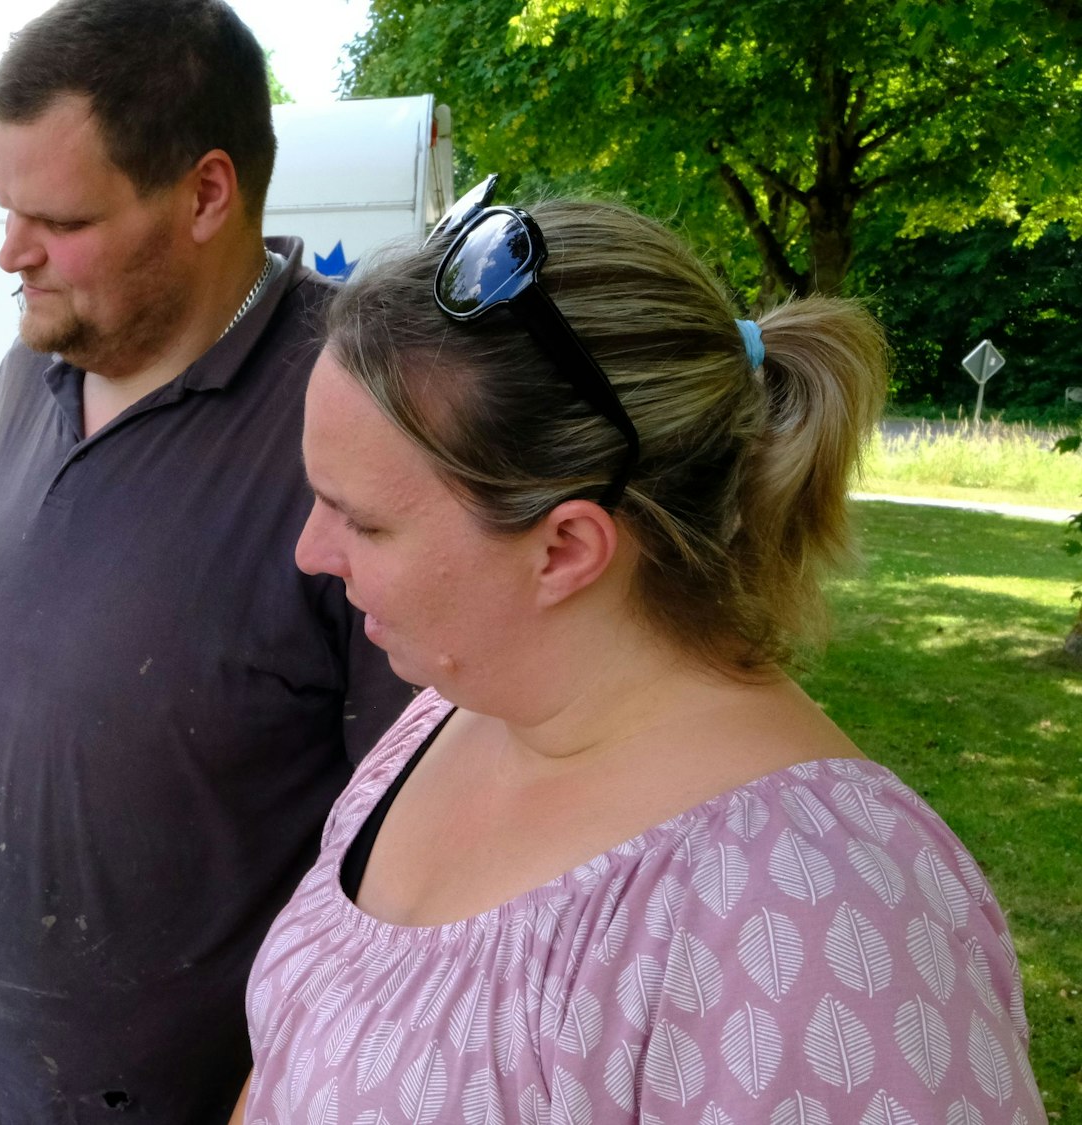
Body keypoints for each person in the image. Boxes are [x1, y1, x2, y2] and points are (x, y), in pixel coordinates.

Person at [232, 181, 1047, 1121]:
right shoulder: (447, 716)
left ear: (565, 549)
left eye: (362, 522)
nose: (310, 551)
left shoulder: (821, 920)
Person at [0, 1, 408, 1120]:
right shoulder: (40, 362)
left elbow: (413, 833)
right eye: (4, 210)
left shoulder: (362, 414)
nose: (10, 252)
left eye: (54, 219)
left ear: (206, 194)